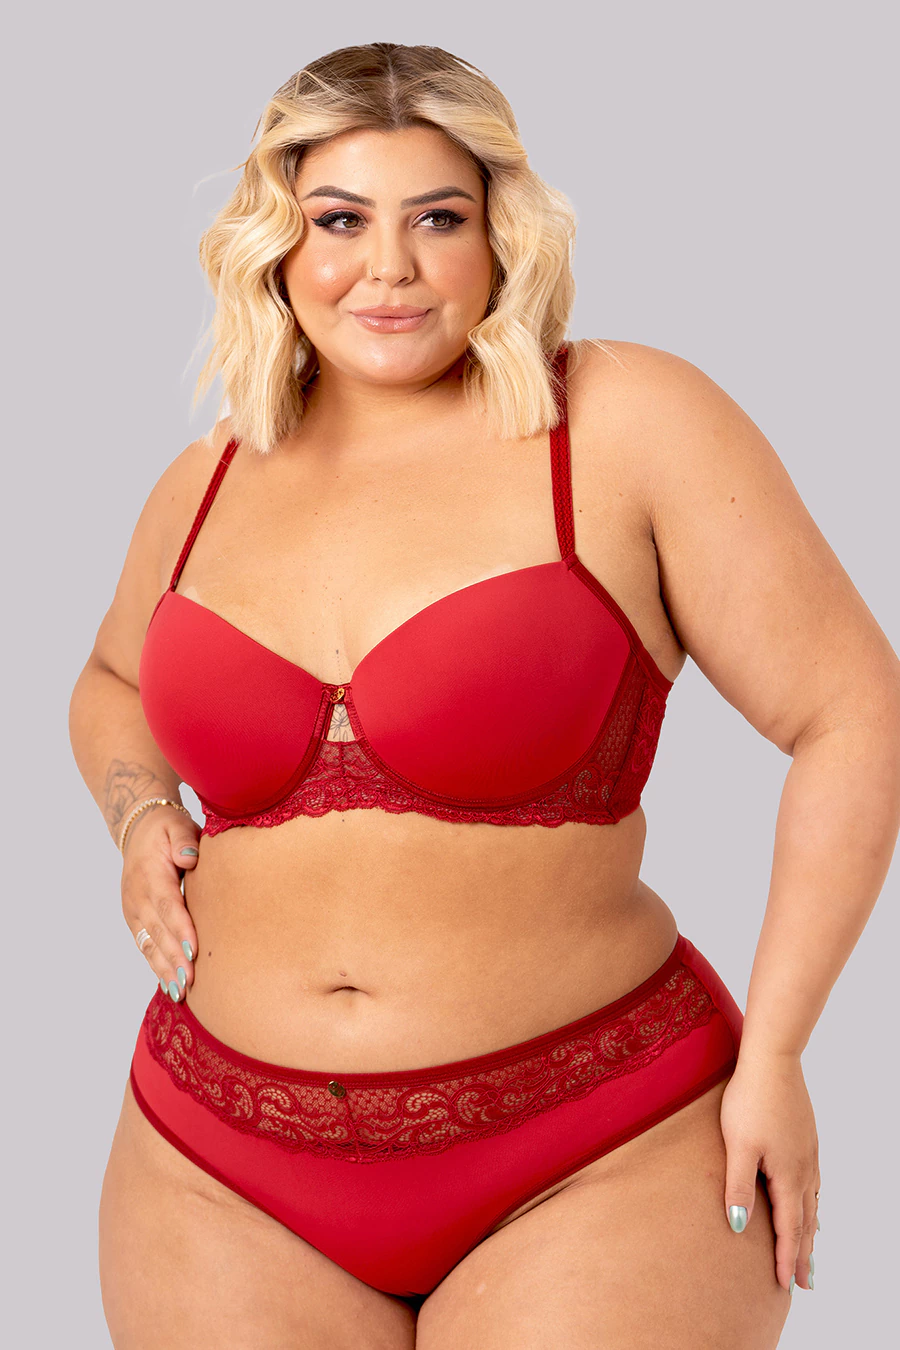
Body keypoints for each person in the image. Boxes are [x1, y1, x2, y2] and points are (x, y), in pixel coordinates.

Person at [68, 42, 900, 1350]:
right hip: (215, 1165)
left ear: (500, 232)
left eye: (438, 218)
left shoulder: (623, 423)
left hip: (598, 1149)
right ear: (278, 240)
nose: (390, 268)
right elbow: (112, 678)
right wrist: (137, 817)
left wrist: (781, 1052)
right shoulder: (211, 475)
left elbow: (852, 708)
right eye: (340, 220)